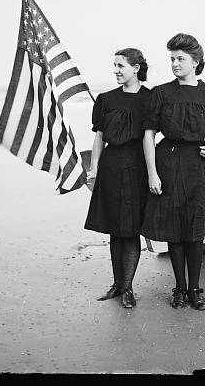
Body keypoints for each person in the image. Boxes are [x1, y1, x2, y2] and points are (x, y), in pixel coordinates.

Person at [141, 33, 205, 310]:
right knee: (175, 229)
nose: (175, 64)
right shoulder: (161, 93)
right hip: (169, 161)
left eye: (181, 59)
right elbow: (149, 135)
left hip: (200, 165)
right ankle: (179, 287)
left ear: (196, 62)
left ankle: (195, 289)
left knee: (195, 228)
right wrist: (152, 173)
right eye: (172, 59)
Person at [84, 48, 151, 309]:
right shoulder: (105, 99)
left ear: (136, 68)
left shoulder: (150, 98)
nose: (116, 70)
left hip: (137, 166)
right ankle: (117, 284)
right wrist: (95, 167)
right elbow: (99, 136)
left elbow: (151, 138)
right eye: (114, 65)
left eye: (121, 65)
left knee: (130, 228)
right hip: (111, 166)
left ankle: (128, 288)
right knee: (115, 228)